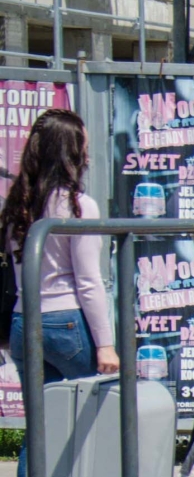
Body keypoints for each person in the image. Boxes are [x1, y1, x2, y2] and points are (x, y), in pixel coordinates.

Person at [1, 109, 115, 388]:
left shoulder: (17, 204)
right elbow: (88, 280)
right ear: (70, 154)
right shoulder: (79, 206)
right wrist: (105, 344)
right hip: (67, 320)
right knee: (95, 417)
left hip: (23, 319)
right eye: (83, 149)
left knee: (43, 424)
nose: (87, 157)